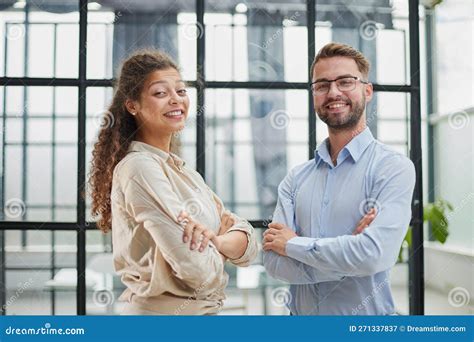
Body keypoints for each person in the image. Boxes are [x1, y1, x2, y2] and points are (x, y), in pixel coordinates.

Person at [89, 49, 258, 315]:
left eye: (181, 91)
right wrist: (224, 246)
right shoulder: (140, 168)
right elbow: (199, 272)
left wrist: (215, 242)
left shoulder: (182, 170)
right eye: (160, 93)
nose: (175, 100)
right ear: (132, 105)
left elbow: (250, 244)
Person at [262, 42, 415, 315]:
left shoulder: (393, 168)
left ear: (367, 91)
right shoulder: (296, 179)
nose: (333, 92)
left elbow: (374, 255)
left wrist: (293, 244)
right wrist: (348, 257)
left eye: (345, 82)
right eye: (322, 85)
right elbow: (274, 262)